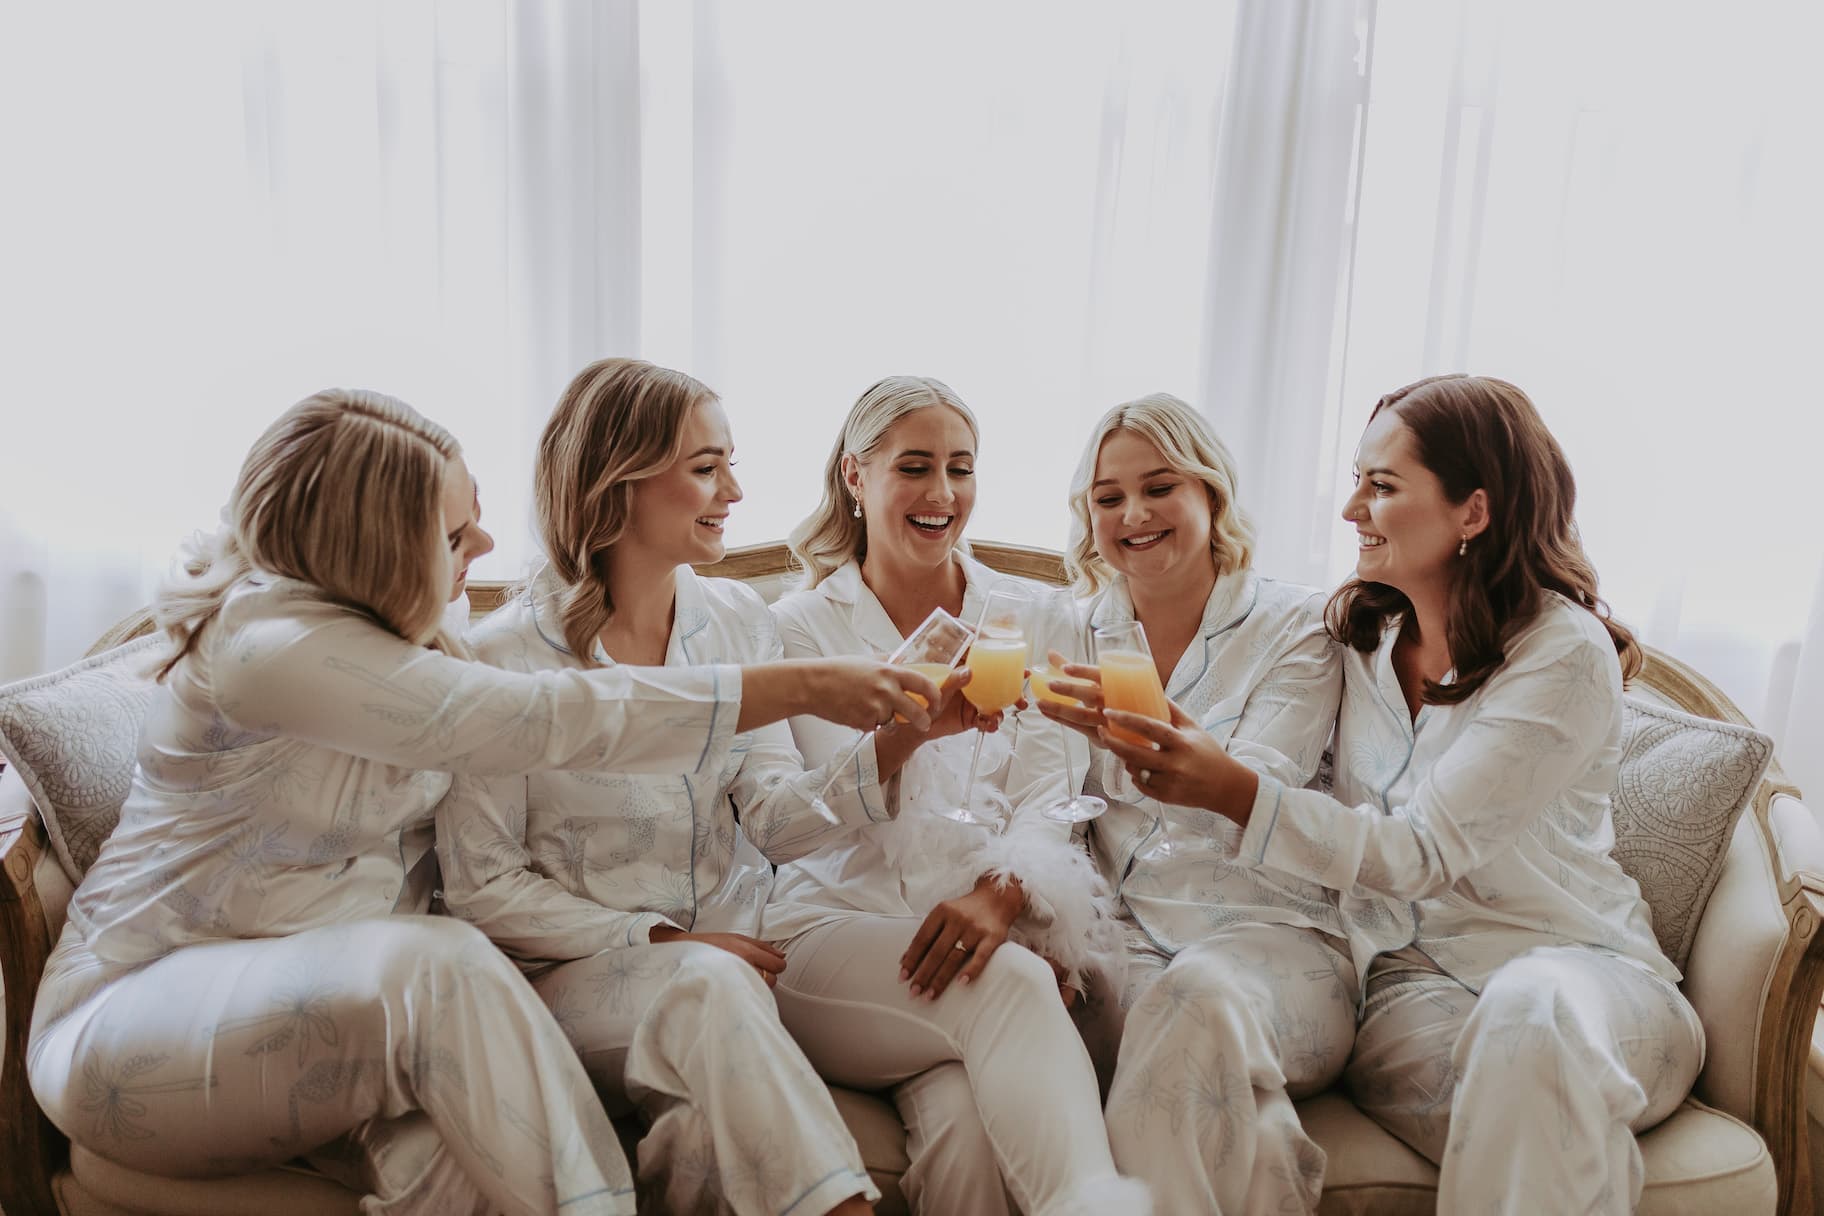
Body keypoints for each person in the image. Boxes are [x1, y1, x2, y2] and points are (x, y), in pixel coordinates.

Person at [26, 389, 939, 1216]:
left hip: (328, 1022)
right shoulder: (266, 645)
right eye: (457, 534)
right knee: (440, 965)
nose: (489, 550)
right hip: (131, 1020)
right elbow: (533, 720)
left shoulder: (407, 639)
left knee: (464, 1164)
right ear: (371, 541)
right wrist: (805, 682)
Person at [1085, 374, 1702, 1214]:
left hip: (1581, 979)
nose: (1351, 510)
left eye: (1380, 486)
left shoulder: (1561, 654)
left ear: (1473, 513)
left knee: (1529, 1021)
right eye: (1354, 480)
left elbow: (1421, 852)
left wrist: (1234, 791)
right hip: (1409, 1001)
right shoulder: (1361, 638)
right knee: (1191, 1014)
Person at [437, 357, 958, 1215]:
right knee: (707, 991)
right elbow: (480, 884)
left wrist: (899, 743)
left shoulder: (739, 623)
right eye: (707, 468)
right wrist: (657, 938)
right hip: (577, 978)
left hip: (743, 956)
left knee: (706, 1106)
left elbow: (778, 822)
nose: (737, 493)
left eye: (731, 464)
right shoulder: (500, 663)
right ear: (621, 484)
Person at [767, 376, 1147, 1216]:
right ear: (854, 478)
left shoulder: (1034, 615)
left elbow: (1054, 793)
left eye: (961, 468)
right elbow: (797, 824)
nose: (942, 494)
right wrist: (909, 729)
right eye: (915, 467)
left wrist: (1003, 897)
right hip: (833, 931)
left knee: (971, 1148)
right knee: (1009, 985)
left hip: (981, 939)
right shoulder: (799, 629)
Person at [1031, 393, 1348, 1214]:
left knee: (1195, 993)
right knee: (1261, 1138)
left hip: (1275, 946)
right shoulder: (1065, 635)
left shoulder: (1297, 629)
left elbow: (1252, 786)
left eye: (1159, 486)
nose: (1133, 513)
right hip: (1126, 949)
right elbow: (1042, 805)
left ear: (1210, 492)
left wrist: (1138, 731)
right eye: (1108, 498)